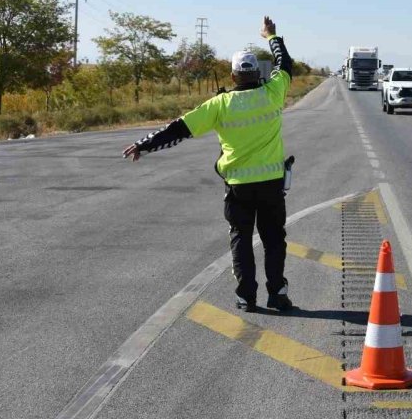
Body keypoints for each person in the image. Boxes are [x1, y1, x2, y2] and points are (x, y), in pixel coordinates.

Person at [122, 16, 294, 312]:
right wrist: (271, 36)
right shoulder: (273, 92)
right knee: (274, 240)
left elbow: (178, 129)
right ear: (258, 74)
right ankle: (277, 294)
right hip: (271, 185)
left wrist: (145, 144)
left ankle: (246, 296)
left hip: (238, 187)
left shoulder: (219, 105)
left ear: (233, 77)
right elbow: (285, 64)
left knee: (241, 240)